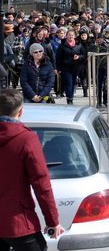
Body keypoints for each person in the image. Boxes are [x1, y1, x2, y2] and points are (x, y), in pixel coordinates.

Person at [0, 89, 64, 251]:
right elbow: (41, 184)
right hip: (18, 221)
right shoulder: (25, 139)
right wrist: (52, 221)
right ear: (20, 112)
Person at [55, 29, 87, 105]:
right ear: (66, 36)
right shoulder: (62, 45)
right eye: (69, 35)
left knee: (73, 83)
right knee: (68, 83)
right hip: (65, 68)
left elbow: (84, 55)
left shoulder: (78, 44)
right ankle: (69, 99)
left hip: (76, 67)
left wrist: (79, 57)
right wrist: (58, 68)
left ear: (75, 36)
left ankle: (71, 97)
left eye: (72, 35)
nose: (71, 36)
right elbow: (58, 57)